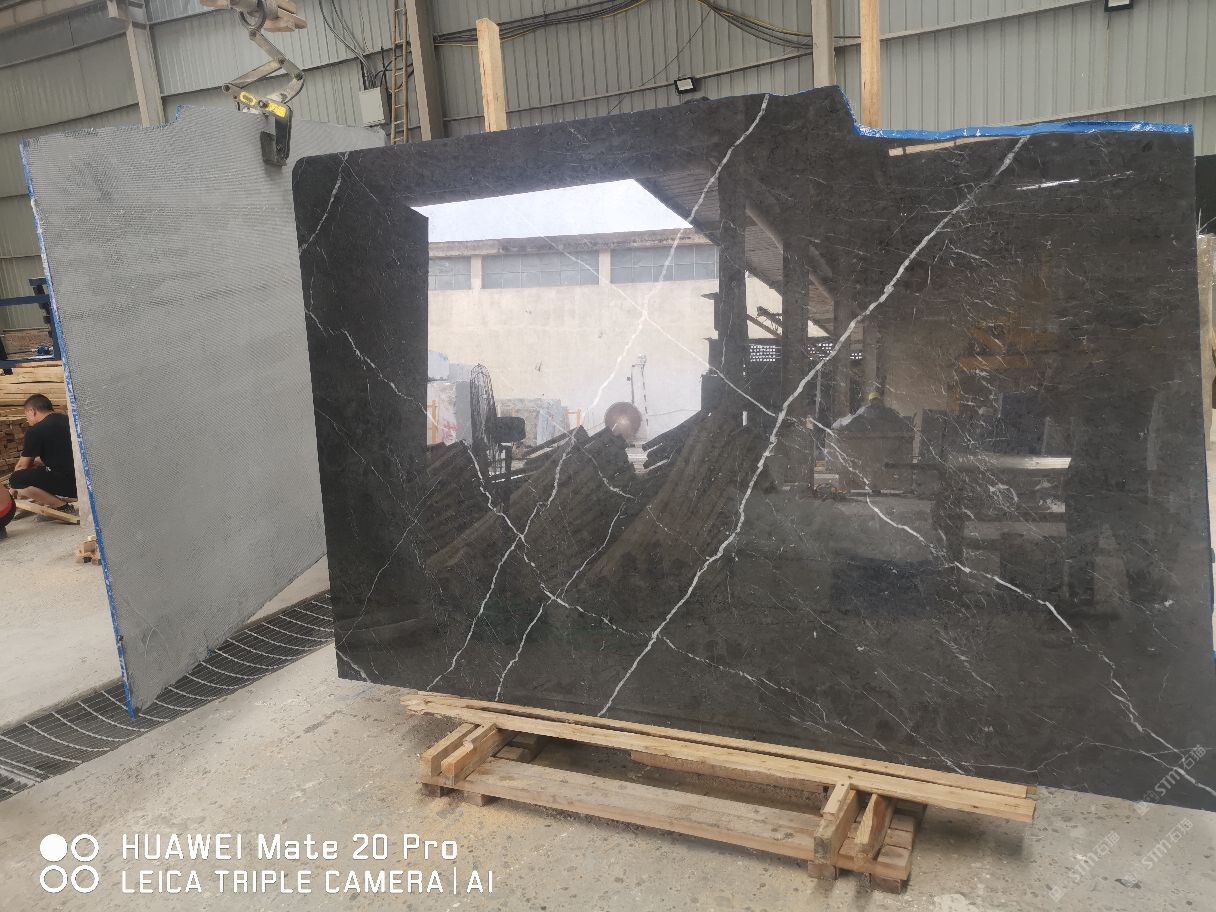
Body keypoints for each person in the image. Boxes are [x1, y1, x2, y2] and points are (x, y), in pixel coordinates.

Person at [8, 394, 77, 513]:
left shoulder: (36, 430)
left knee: (16, 478)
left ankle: (62, 506)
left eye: (26, 415)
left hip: (71, 486)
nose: (27, 420)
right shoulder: (69, 420)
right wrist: (38, 461)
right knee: (36, 464)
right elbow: (63, 452)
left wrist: (13, 487)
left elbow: (21, 466)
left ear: (32, 411)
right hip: (86, 482)